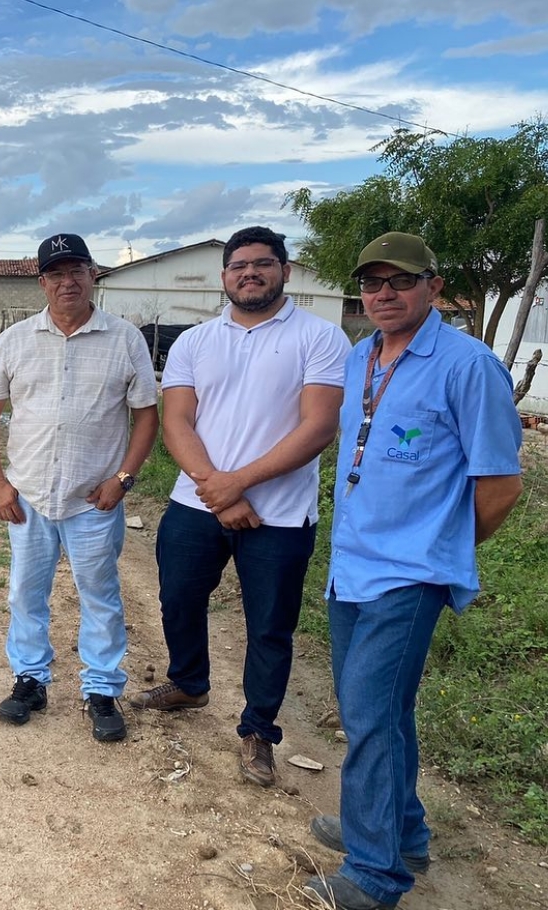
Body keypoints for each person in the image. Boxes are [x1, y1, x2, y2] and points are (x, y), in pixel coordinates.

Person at [304, 233, 523, 910]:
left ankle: (374, 877)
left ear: (433, 283)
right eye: (371, 283)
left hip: (410, 574)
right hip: (351, 568)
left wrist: (442, 546)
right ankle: (400, 832)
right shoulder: (359, 357)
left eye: (398, 281)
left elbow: (501, 484)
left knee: (369, 714)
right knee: (379, 712)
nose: (383, 294)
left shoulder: (467, 365)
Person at [131, 226, 351, 786]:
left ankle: (258, 730)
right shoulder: (195, 341)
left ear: (286, 270)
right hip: (195, 503)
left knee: (270, 626)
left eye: (262, 264)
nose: (249, 273)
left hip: (279, 515)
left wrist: (239, 484)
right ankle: (189, 683)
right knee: (178, 596)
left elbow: (319, 426)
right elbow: (177, 421)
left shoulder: (321, 338)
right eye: (238, 266)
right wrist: (216, 489)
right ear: (224, 275)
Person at [0, 232, 159, 742]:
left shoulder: (124, 339)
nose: (67, 281)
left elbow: (147, 416)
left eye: (76, 270)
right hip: (29, 496)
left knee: (99, 594)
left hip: (92, 501)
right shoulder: (14, 341)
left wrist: (122, 480)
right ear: (43, 282)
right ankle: (30, 680)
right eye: (56, 273)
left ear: (92, 275)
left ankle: (101, 688)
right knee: (24, 592)